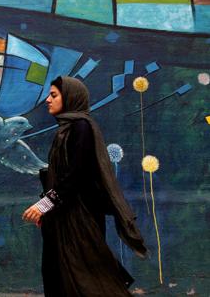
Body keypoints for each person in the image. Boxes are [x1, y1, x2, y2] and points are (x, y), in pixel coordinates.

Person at [22, 76, 147, 296]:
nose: (48, 100)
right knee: (61, 275)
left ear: (70, 97)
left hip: (80, 216)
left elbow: (76, 176)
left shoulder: (81, 127)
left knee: (88, 277)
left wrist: (44, 205)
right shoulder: (66, 129)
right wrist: (48, 210)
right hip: (63, 215)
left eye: (54, 95)